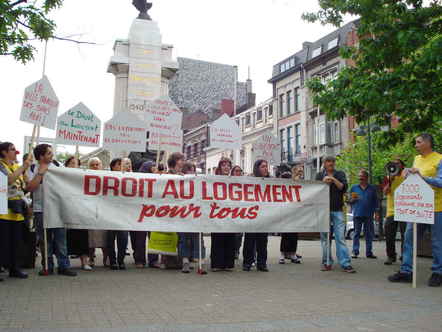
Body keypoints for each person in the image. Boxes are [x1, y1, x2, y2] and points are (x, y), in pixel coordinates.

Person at [389, 133, 442, 287]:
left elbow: (440, 181)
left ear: (427, 143)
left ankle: (438, 272)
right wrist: (407, 174)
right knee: (409, 238)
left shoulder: (439, 159)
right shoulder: (417, 159)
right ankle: (406, 271)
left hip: (436, 207)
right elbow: (414, 181)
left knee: (437, 241)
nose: (416, 145)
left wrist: (421, 177)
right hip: (418, 206)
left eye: (418, 142)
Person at [26, 144, 76, 276]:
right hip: (40, 209)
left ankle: (63, 266)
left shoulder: (58, 167)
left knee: (61, 239)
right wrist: (41, 172)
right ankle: (47, 266)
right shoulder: (32, 168)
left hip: (57, 208)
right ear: (41, 156)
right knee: (44, 240)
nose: (52, 155)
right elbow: (30, 187)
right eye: (49, 153)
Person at [316, 156, 356, 273]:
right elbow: (314, 190)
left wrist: (333, 180)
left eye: (333, 161)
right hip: (323, 210)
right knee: (325, 238)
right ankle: (326, 262)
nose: (331, 163)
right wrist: (323, 182)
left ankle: (345, 263)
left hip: (337, 209)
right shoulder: (319, 175)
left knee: (340, 237)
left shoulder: (340, 174)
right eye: (328, 161)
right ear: (324, 163)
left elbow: (343, 187)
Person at [0, 142, 31, 280]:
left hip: (16, 210)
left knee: (15, 242)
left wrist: (26, 177)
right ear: (4, 152)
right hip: (3, 209)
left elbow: (24, 188)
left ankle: (14, 268)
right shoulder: (1, 166)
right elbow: (7, 180)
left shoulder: (16, 167)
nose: (15, 152)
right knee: (3, 242)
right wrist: (23, 168)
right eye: (12, 150)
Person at [178, 162, 207, 274]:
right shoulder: (180, 181)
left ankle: (202, 262)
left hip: (196, 215)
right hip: (184, 214)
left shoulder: (198, 181)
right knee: (184, 239)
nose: (193, 172)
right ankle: (185, 262)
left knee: (198, 240)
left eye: (194, 170)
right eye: (190, 170)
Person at [65, 156, 92, 271]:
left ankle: (84, 262)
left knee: (82, 236)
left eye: (77, 163)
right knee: (65, 237)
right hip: (66, 210)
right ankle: (65, 263)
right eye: (71, 163)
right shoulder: (62, 176)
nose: (74, 165)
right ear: (66, 165)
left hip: (81, 211)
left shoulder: (83, 176)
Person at [243, 159, 270, 272]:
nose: (266, 169)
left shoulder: (271, 181)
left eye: (266, 166)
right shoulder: (250, 180)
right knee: (250, 240)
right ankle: (247, 262)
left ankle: (262, 263)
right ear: (257, 168)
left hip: (264, 215)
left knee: (263, 241)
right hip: (252, 214)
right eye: (263, 166)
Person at [210, 157, 236, 272]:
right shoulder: (213, 179)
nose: (226, 167)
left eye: (228, 165)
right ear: (220, 167)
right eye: (224, 165)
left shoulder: (235, 180)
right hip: (218, 213)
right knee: (217, 239)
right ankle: (217, 263)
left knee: (230, 239)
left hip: (231, 213)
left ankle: (228, 264)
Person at [130, 161, 157, 268]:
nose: (155, 169)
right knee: (140, 238)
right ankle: (139, 259)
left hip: (153, 212)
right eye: (153, 167)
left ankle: (153, 260)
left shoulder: (160, 179)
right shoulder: (138, 179)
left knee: (153, 237)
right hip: (140, 212)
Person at [349, 169, 379, 259]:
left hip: (369, 214)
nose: (360, 179)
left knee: (368, 234)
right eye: (359, 178)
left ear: (366, 178)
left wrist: (376, 213)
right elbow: (349, 200)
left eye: (362, 178)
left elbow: (375, 201)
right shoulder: (354, 188)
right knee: (356, 233)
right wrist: (352, 200)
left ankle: (369, 252)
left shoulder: (372, 188)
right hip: (357, 214)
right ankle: (355, 252)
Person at [106, 158, 129, 270]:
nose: (122, 166)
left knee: (123, 238)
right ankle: (113, 261)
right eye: (119, 164)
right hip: (110, 213)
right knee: (110, 239)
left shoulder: (129, 178)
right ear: (113, 166)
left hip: (123, 214)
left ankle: (121, 260)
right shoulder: (106, 178)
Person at [383, 159, 406, 265]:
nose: (395, 165)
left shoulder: (407, 176)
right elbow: (385, 192)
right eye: (393, 163)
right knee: (389, 235)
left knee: (405, 235)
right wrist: (390, 180)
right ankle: (391, 256)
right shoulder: (388, 177)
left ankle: (405, 256)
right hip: (391, 211)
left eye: (397, 163)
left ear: (402, 165)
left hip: (405, 210)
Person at [278, 164, 302, 264]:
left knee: (294, 233)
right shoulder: (286, 177)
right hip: (286, 209)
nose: (300, 172)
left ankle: (292, 253)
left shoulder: (303, 182)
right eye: (299, 170)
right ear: (294, 170)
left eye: (302, 170)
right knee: (286, 233)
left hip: (296, 210)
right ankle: (283, 254)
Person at [87, 157, 109, 267]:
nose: (95, 166)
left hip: (104, 211)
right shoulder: (84, 177)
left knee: (105, 236)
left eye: (97, 164)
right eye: (93, 164)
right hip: (90, 210)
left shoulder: (107, 178)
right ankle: (91, 258)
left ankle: (106, 258)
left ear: (101, 166)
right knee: (91, 237)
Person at [231, 166, 244, 260]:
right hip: (230, 211)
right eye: (236, 171)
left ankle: (236, 251)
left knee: (239, 234)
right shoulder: (228, 181)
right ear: (233, 172)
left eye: (240, 171)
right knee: (233, 234)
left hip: (241, 211)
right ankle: (232, 251)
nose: (238, 172)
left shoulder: (245, 182)